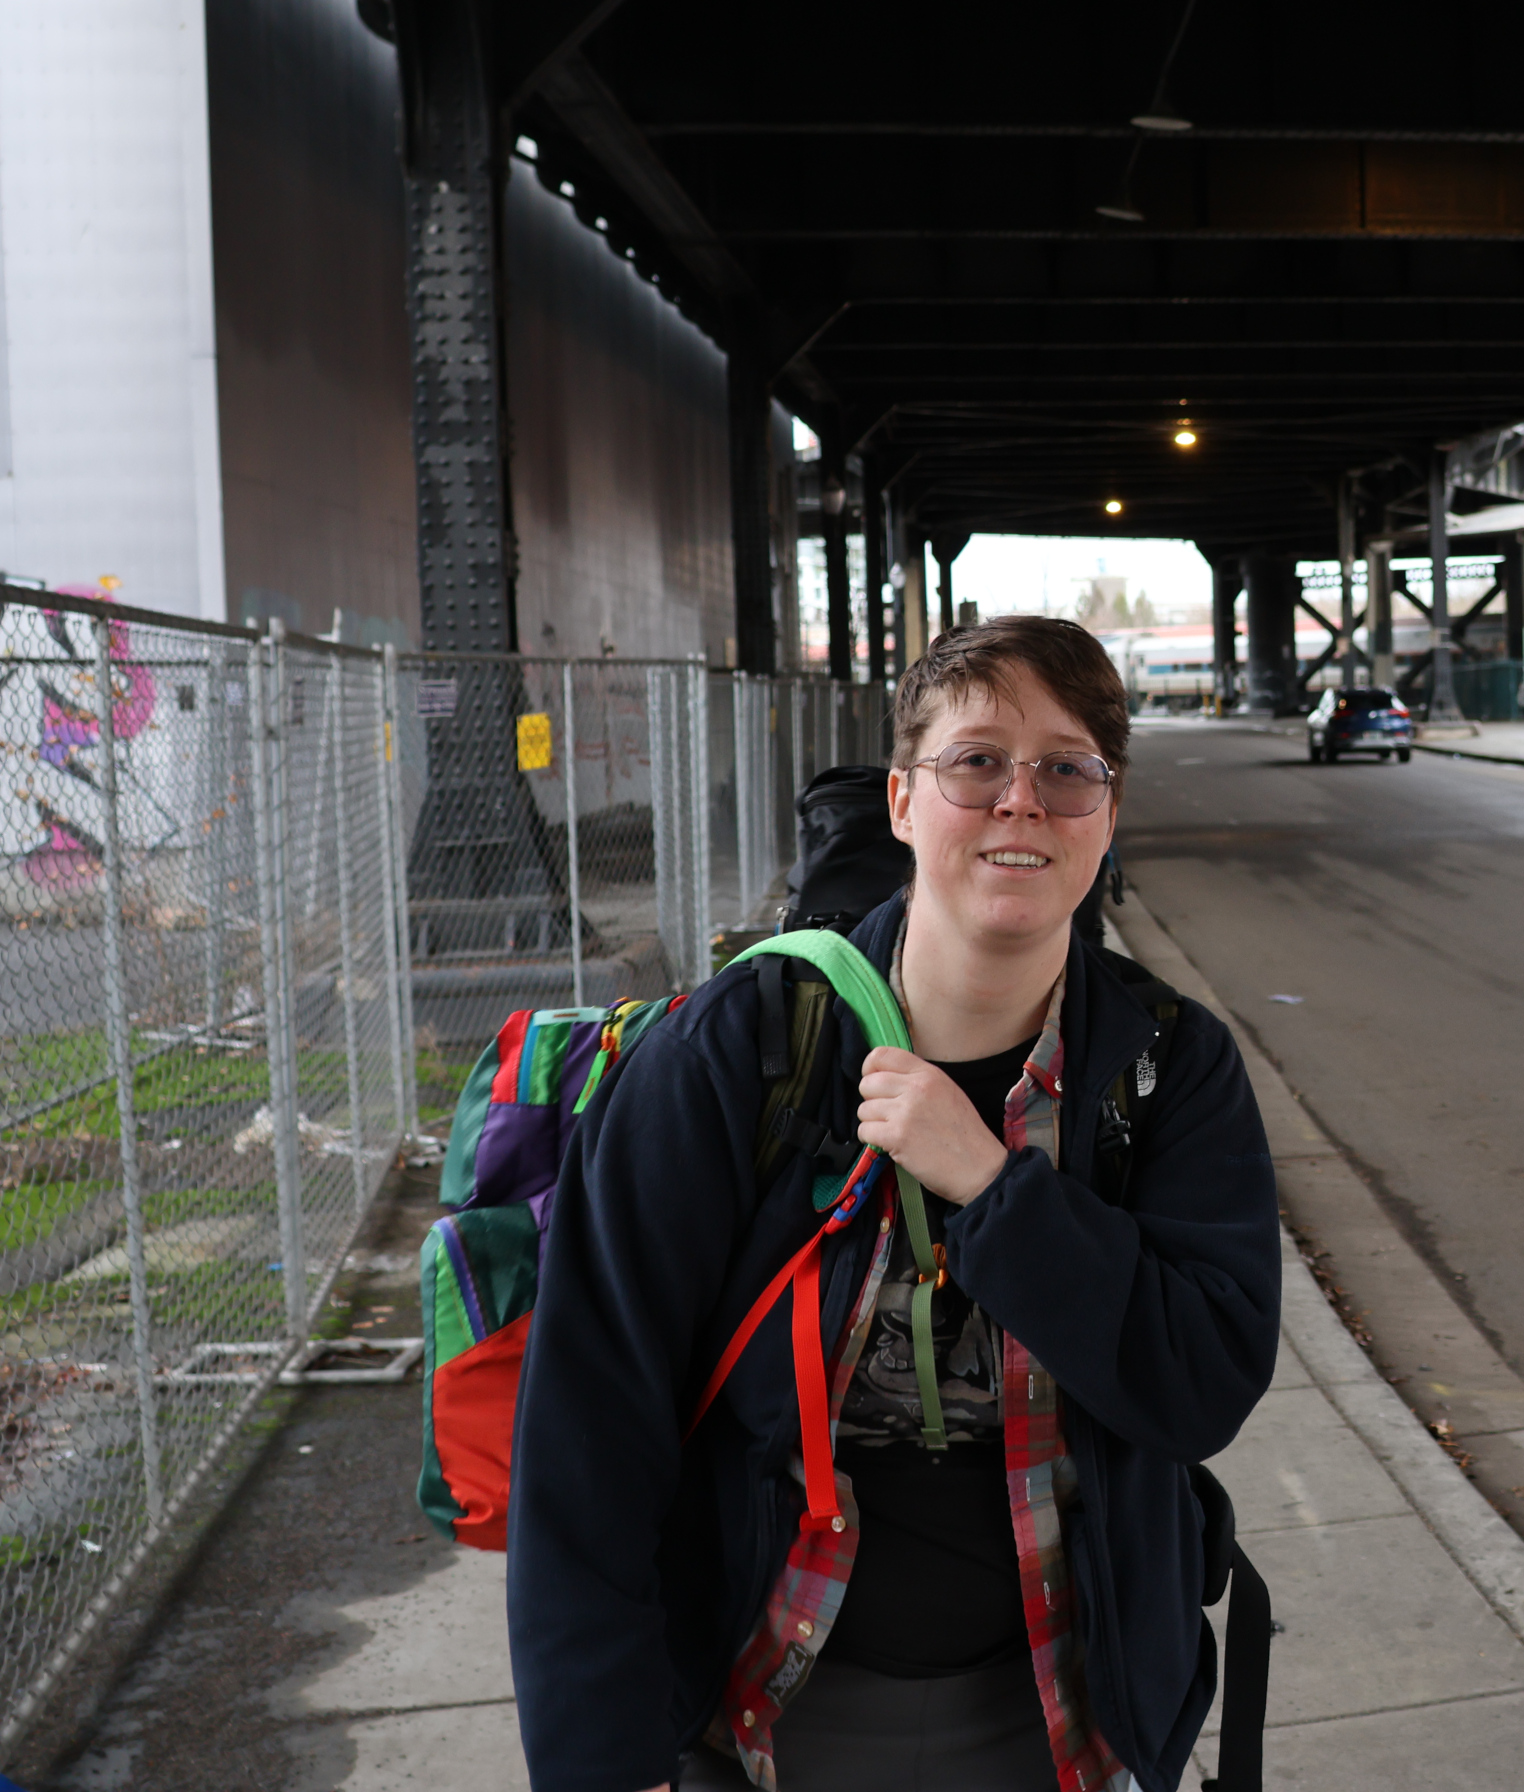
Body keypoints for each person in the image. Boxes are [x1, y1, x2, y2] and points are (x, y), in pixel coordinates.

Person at [507, 617, 1281, 1792]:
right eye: (977, 760)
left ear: (1106, 814)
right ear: (905, 802)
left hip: (1067, 1711)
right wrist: (602, 1762)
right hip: (764, 1705)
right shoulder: (742, 1050)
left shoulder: (1166, 1068)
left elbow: (1203, 1379)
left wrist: (989, 1183)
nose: (1022, 799)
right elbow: (587, 1430)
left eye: (1068, 768)